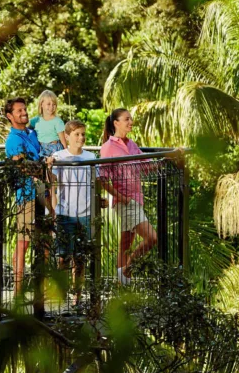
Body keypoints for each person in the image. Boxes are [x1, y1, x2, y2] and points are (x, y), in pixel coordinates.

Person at [98, 108, 157, 285]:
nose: (131, 122)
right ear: (116, 123)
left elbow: (146, 166)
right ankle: (126, 271)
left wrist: (169, 158)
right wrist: (122, 198)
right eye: (126, 119)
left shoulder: (132, 144)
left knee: (125, 244)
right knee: (152, 238)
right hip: (125, 202)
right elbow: (103, 179)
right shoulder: (108, 147)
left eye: (131, 119)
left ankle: (121, 285)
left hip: (136, 199)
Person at [48, 119, 95, 303]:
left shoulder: (90, 157)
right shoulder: (59, 156)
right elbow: (51, 181)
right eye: (76, 134)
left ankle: (77, 296)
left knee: (80, 257)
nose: (81, 138)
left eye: (83, 134)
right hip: (65, 212)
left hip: (86, 212)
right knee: (63, 257)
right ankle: (60, 293)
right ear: (66, 136)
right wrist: (49, 166)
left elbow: (97, 181)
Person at [4, 97, 43, 296]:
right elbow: (22, 166)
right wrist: (44, 170)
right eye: (19, 111)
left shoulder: (32, 133)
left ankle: (42, 290)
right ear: (10, 116)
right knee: (23, 242)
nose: (24, 112)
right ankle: (17, 292)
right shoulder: (13, 140)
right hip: (27, 194)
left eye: (25, 109)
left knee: (44, 240)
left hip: (43, 192)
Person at [29, 90, 67, 158]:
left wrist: (66, 157)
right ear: (41, 104)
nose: (51, 107)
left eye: (54, 104)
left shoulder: (58, 121)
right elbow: (26, 132)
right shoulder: (35, 120)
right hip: (41, 150)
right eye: (48, 104)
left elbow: (63, 142)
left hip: (55, 149)